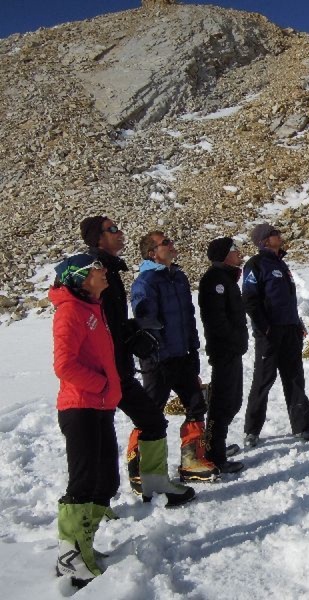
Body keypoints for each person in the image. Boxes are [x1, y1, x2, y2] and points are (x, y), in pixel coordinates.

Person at [80, 216, 194, 506]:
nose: (120, 233)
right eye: (113, 229)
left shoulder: (111, 272)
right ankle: (93, 510)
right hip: (104, 372)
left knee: (152, 419)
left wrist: (131, 332)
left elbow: (113, 322)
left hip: (120, 367)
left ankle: (154, 483)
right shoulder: (93, 271)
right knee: (99, 445)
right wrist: (136, 335)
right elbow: (92, 323)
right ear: (98, 237)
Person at [51, 254, 120, 587]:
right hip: (80, 407)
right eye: (97, 268)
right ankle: (69, 559)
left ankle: (84, 547)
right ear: (80, 277)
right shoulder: (70, 312)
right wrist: (102, 385)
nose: (104, 271)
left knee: (103, 480)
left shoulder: (92, 308)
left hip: (99, 406)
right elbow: (64, 366)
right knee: (83, 482)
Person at [131, 232, 219, 482]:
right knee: (150, 412)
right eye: (165, 243)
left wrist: (193, 349)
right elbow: (145, 322)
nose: (172, 245)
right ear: (152, 253)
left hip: (181, 355)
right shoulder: (146, 282)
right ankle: (139, 466)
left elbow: (188, 318)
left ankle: (192, 460)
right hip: (158, 360)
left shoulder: (177, 277)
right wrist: (157, 353)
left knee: (196, 404)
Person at [242, 223, 309, 447]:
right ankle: (252, 431)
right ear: (265, 240)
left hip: (289, 330)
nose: (280, 235)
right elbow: (250, 299)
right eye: (274, 233)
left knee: (294, 377)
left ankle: (302, 427)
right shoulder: (255, 264)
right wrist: (265, 327)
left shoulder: (281, 264)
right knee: (263, 380)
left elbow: (287, 300)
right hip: (269, 333)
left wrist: (297, 323)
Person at [198, 237, 248, 473]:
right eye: (234, 250)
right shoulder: (215, 280)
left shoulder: (226, 279)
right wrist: (231, 340)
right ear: (223, 255)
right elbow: (217, 319)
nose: (239, 253)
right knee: (222, 402)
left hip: (232, 349)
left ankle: (217, 445)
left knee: (233, 400)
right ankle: (214, 453)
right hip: (224, 351)